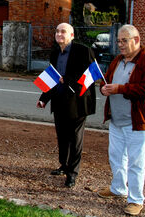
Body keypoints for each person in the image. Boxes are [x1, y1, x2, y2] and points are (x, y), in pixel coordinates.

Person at [97, 24, 145, 216]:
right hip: (117, 121)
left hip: (139, 122)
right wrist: (104, 87)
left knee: (136, 162)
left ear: (136, 40)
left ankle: (136, 200)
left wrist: (121, 89)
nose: (120, 44)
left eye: (124, 40)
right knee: (116, 157)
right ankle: (118, 188)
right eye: (118, 41)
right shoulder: (118, 60)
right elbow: (107, 80)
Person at [36, 23, 96, 188]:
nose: (59, 34)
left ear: (72, 35)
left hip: (77, 102)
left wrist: (67, 79)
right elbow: (52, 77)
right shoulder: (55, 52)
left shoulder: (83, 51)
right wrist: (44, 98)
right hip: (59, 100)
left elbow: (89, 76)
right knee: (62, 136)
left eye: (63, 31)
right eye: (57, 31)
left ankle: (72, 173)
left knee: (75, 139)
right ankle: (64, 165)